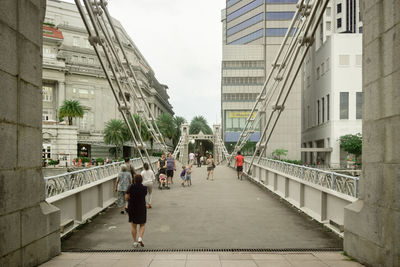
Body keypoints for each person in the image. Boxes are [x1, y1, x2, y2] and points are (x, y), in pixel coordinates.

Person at [126, 174, 147, 248]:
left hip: (132, 207)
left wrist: (130, 202)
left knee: (133, 225)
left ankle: (135, 242)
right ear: (142, 180)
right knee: (142, 224)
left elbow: (127, 197)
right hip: (141, 207)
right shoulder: (144, 188)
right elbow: (144, 196)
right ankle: (140, 238)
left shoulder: (130, 187)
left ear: (134, 179)